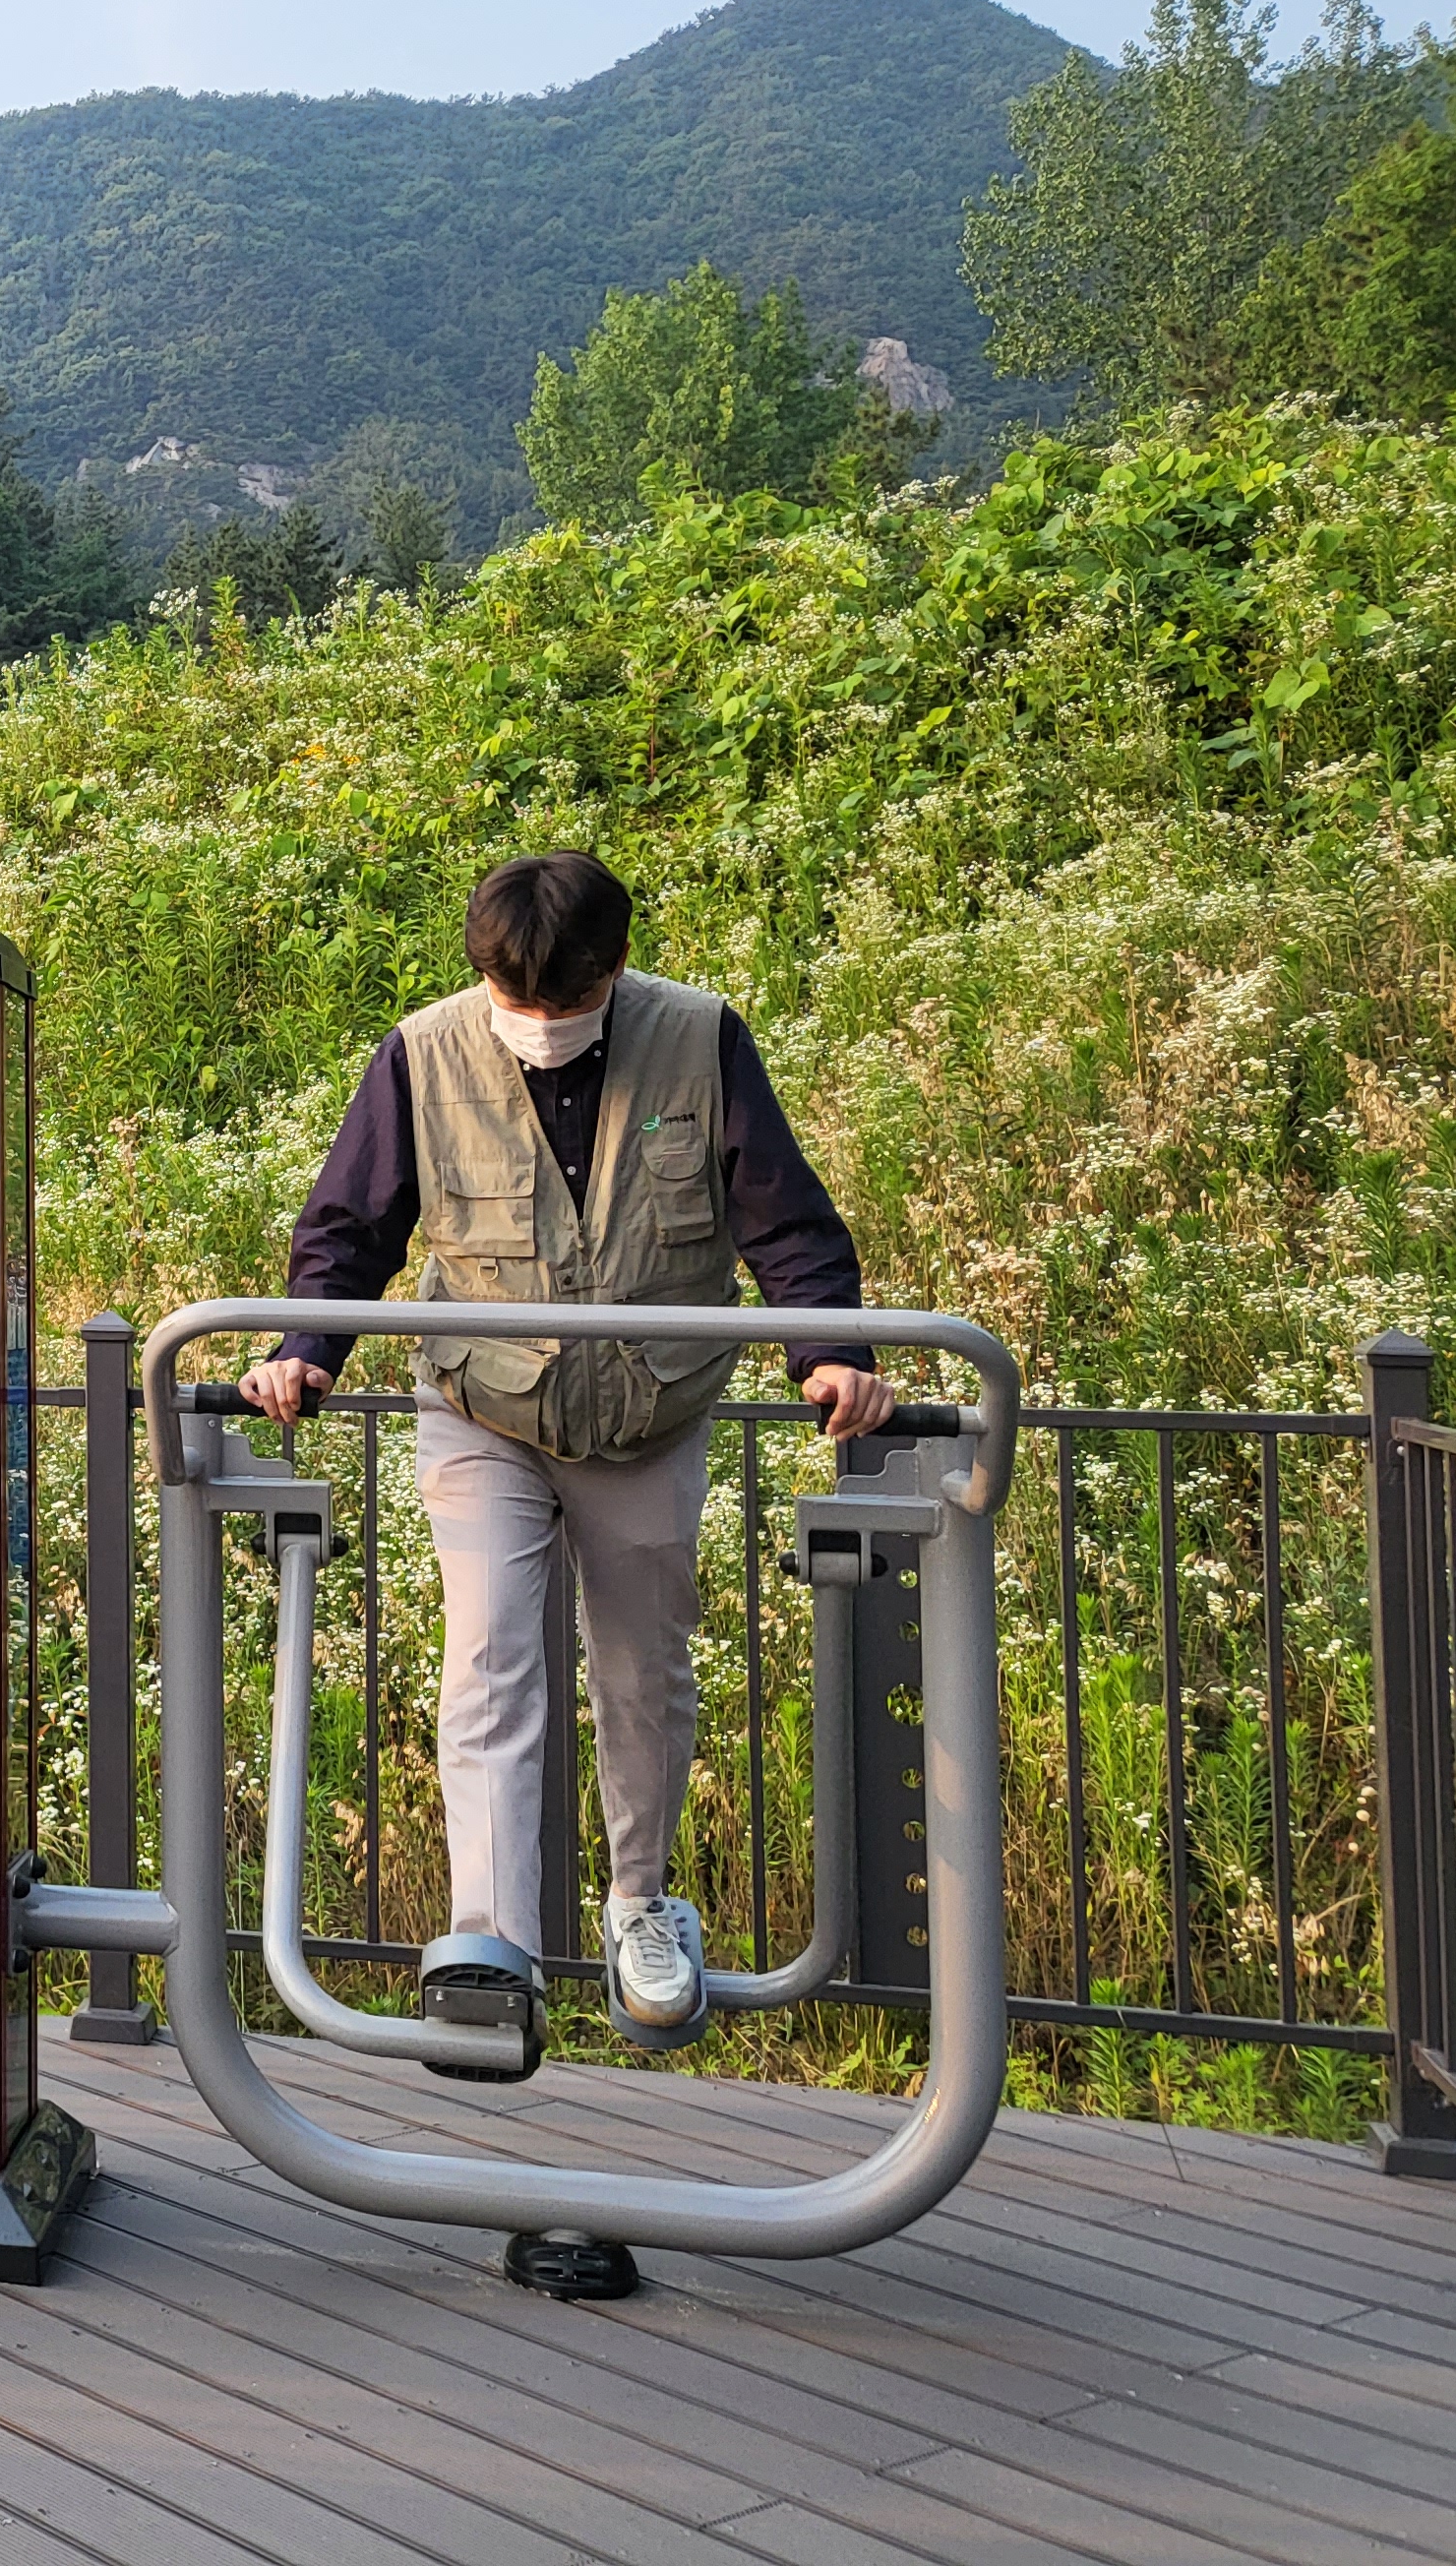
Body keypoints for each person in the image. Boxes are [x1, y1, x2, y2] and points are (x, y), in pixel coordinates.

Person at [238, 850, 894, 2046]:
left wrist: (829, 1351)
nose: (539, 1022)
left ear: (616, 966)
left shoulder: (699, 1039)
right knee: (487, 1661)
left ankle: (641, 1907)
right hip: (482, 1409)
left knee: (642, 1674)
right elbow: (352, 1221)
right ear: (481, 972)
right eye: (515, 998)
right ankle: (491, 1944)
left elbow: (783, 1217)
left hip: (647, 1416)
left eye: (568, 1000)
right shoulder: (423, 1052)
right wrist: (305, 1347)